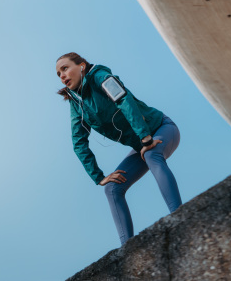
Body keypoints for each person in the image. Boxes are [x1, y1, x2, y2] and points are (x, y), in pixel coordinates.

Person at [55, 52, 183, 245]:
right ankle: (127, 250)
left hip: (161, 129)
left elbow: (122, 99)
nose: (62, 75)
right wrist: (99, 177)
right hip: (141, 145)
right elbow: (78, 142)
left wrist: (145, 137)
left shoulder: (100, 76)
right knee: (112, 188)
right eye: (58, 74)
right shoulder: (77, 104)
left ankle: (180, 217)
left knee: (151, 154)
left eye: (65, 68)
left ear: (81, 66)